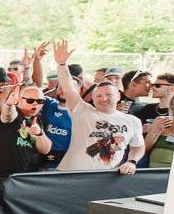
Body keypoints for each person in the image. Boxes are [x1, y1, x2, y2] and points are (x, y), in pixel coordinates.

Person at [50, 42, 143, 174]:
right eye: (99, 95)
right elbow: (68, 87)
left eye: (108, 94)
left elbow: (138, 147)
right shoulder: (82, 110)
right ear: (92, 98)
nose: (104, 98)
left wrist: (132, 162)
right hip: (71, 175)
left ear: (118, 96)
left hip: (107, 179)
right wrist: (61, 64)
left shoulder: (133, 121)